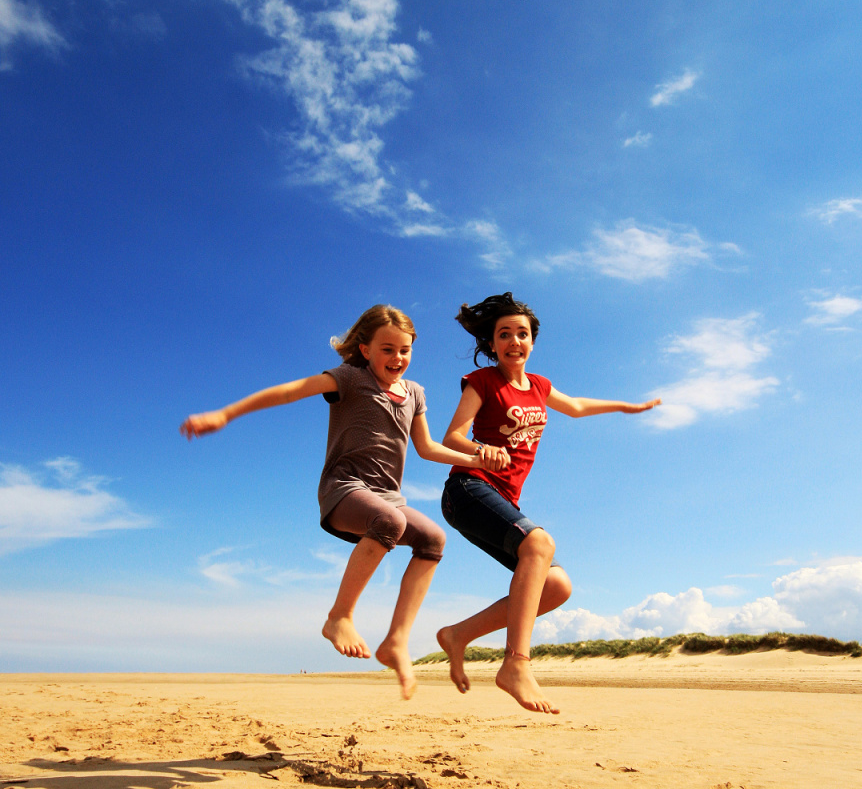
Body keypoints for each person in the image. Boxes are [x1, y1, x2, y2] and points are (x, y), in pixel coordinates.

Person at [180, 304, 493, 699]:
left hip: (387, 498)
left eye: (405, 350)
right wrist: (225, 415)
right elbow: (291, 391)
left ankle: (396, 640)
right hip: (343, 490)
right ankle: (339, 617)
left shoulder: (414, 393)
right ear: (365, 349)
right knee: (390, 524)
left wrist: (475, 458)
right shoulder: (348, 378)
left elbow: (428, 448)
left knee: (433, 539)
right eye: (387, 349)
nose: (397, 358)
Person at [437, 293, 661, 714]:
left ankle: (457, 635)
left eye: (522, 334)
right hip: (467, 489)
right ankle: (516, 665)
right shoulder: (482, 382)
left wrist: (625, 406)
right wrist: (480, 448)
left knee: (557, 586)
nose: (514, 341)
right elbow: (452, 437)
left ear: (532, 342)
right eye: (504, 335)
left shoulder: (539, 386)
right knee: (539, 544)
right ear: (492, 344)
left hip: (501, 499)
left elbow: (574, 407)